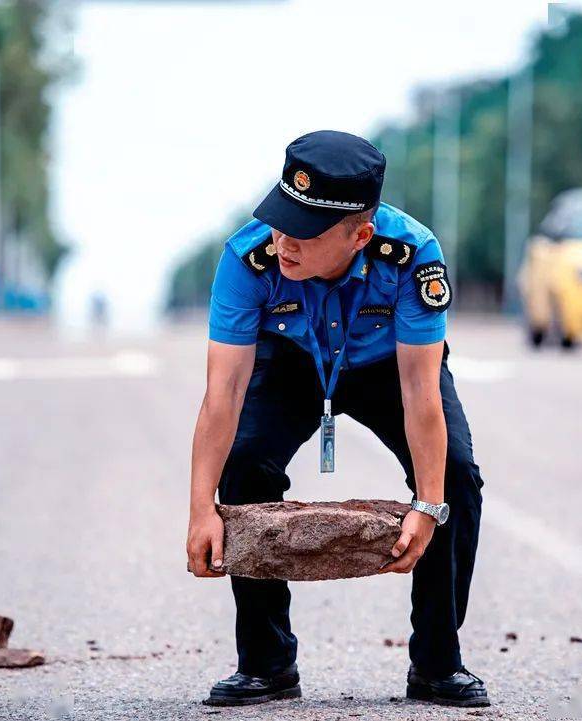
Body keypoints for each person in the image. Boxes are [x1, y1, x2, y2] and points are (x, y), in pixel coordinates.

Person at [185, 130, 488, 708]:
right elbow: (222, 393)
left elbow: (421, 391)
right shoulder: (247, 259)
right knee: (245, 465)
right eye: (280, 220)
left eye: (305, 232)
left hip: (383, 364)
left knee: (453, 475)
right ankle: (266, 664)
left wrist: (427, 506)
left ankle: (436, 663)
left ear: (361, 234)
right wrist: (202, 510)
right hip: (292, 359)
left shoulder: (413, 256)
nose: (284, 241)